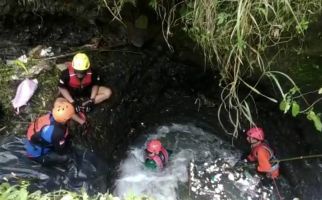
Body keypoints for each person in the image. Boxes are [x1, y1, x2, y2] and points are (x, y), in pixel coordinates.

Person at [58, 53, 112, 125]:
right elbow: (62, 88)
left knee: (108, 92)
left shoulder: (93, 72)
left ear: (87, 68)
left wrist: (92, 100)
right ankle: (81, 121)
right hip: (72, 91)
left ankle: (84, 105)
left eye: (82, 72)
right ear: (74, 68)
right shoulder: (65, 74)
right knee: (58, 106)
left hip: (87, 90)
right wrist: (72, 102)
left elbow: (96, 85)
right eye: (77, 71)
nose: (80, 75)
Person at [25, 99, 75, 166]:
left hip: (34, 140)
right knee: (65, 158)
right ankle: (43, 160)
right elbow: (60, 151)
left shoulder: (51, 115)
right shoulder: (57, 133)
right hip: (36, 154)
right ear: (66, 120)